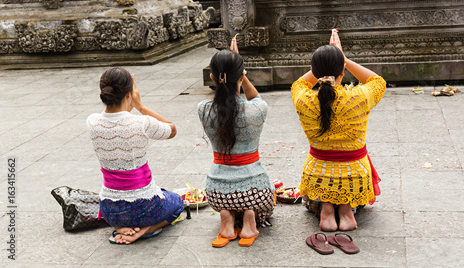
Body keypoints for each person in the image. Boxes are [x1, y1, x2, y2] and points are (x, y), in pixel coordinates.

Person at [291, 30, 386, 232]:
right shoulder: (359, 97)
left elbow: (299, 83)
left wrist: (321, 67)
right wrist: (345, 60)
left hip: (318, 175)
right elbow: (378, 81)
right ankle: (346, 211)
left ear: (314, 73)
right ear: (342, 71)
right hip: (355, 176)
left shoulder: (303, 99)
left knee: (324, 180)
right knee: (346, 181)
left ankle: (326, 210)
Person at [87, 67, 184, 244]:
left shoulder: (92, 121)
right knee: (177, 202)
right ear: (129, 94)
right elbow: (172, 129)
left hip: (110, 210)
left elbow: (117, 120)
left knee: (160, 193)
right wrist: (140, 105)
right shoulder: (142, 122)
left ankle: (121, 228)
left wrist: (129, 99)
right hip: (144, 207)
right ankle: (144, 230)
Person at [198, 40, 274, 248]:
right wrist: (241, 72)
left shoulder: (203, 109)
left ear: (212, 77)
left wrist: (234, 70)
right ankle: (250, 218)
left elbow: (225, 100)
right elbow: (254, 96)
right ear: (242, 76)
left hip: (216, 193)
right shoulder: (258, 109)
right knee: (267, 201)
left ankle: (227, 219)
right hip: (255, 191)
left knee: (227, 200)